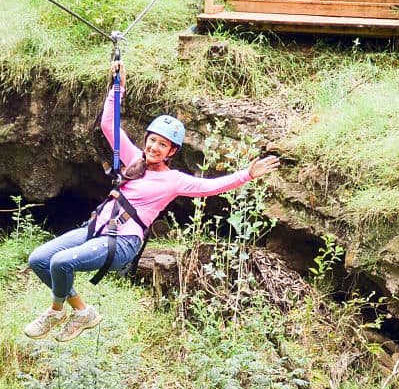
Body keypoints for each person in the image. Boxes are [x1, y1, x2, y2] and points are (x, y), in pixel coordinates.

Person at [23, 62, 281, 343]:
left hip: (122, 242)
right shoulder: (132, 158)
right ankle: (82, 313)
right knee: (39, 259)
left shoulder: (174, 180)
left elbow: (210, 188)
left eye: (162, 145)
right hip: (95, 228)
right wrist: (117, 85)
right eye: (152, 140)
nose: (154, 147)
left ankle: (57, 310)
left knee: (61, 262)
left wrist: (247, 175)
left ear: (171, 152)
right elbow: (108, 123)